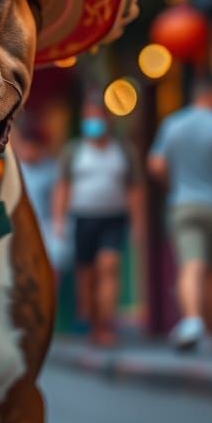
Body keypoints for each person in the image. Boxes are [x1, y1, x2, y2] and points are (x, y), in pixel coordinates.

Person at [148, 76, 212, 352]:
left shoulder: (173, 124)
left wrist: (177, 185)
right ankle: (210, 332)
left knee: (191, 264)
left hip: (183, 204)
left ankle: (192, 319)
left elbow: (156, 165)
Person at [54, 98, 143, 346]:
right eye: (88, 118)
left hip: (114, 217)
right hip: (83, 218)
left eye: (97, 117)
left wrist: (138, 223)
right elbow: (62, 187)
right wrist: (59, 221)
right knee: (87, 275)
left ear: (107, 120)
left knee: (109, 265)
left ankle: (106, 323)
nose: (93, 123)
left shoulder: (123, 151)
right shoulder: (74, 151)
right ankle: (93, 321)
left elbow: (134, 189)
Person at [15, 118, 69, 272]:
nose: (28, 151)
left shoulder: (51, 170)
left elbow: (58, 198)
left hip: (46, 228)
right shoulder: (15, 171)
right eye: (25, 146)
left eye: (32, 147)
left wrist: (58, 226)